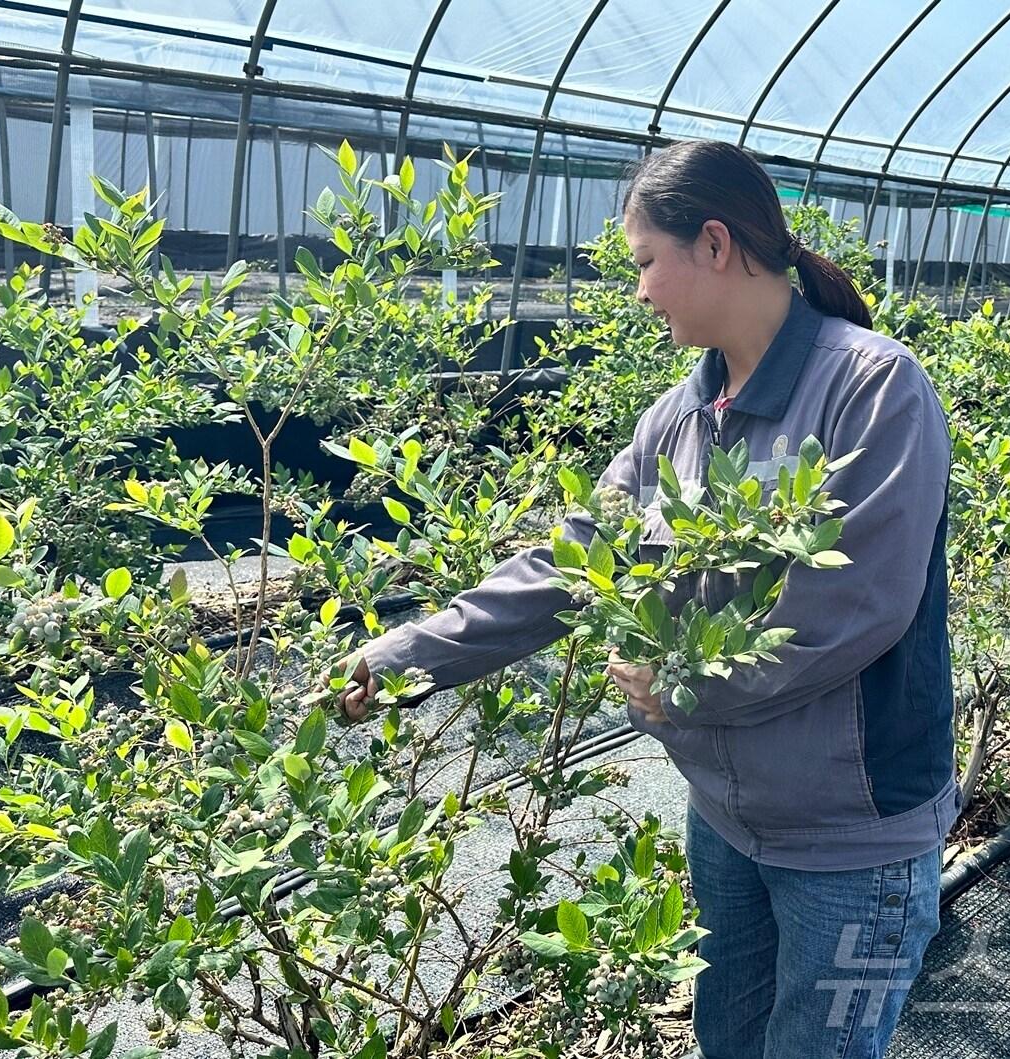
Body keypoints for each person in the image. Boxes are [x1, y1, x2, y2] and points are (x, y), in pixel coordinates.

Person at [333, 139, 958, 1059]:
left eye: (645, 263)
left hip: (854, 841)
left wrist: (687, 686)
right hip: (727, 820)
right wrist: (407, 656)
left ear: (714, 244)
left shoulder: (871, 386)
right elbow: (576, 560)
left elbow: (859, 603)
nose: (640, 290)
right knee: (728, 1041)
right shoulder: (676, 420)